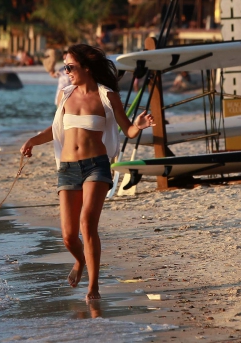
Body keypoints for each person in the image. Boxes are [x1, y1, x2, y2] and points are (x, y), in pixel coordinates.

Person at [19, 44, 155, 301]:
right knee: (69, 236)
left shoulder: (107, 95)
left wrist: (138, 125)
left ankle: (94, 286)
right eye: (65, 67)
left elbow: (128, 130)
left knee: (87, 224)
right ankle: (80, 261)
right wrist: (32, 141)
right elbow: (54, 129)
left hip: (96, 165)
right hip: (68, 169)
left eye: (70, 67)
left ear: (87, 68)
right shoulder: (66, 94)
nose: (66, 71)